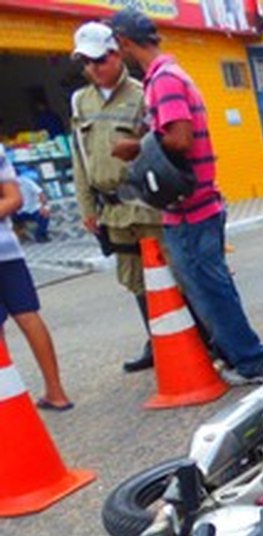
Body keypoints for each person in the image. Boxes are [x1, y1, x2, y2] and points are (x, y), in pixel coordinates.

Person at [109, 8, 263, 385]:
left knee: (209, 289)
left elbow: (179, 138)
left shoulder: (164, 80)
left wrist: (134, 147)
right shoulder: (168, 74)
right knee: (210, 286)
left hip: (191, 209)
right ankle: (243, 357)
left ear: (124, 42)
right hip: (192, 207)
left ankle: (251, 361)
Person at [69, 21, 166, 373]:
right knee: (135, 279)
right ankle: (156, 341)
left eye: (99, 60)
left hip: (144, 205)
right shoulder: (81, 101)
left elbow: (160, 148)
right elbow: (79, 156)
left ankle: (193, 339)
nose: (93, 68)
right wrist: (86, 206)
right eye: (86, 62)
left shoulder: (143, 93)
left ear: (116, 54)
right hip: (110, 209)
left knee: (166, 275)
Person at [0, 144, 72, 411]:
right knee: (28, 315)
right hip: (7, 248)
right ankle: (57, 392)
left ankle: (10, 406)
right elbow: (13, 199)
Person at [12, 171, 50, 243]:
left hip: (32, 209)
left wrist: (44, 206)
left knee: (45, 214)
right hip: (17, 212)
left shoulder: (26, 182)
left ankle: (40, 235)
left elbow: (41, 193)